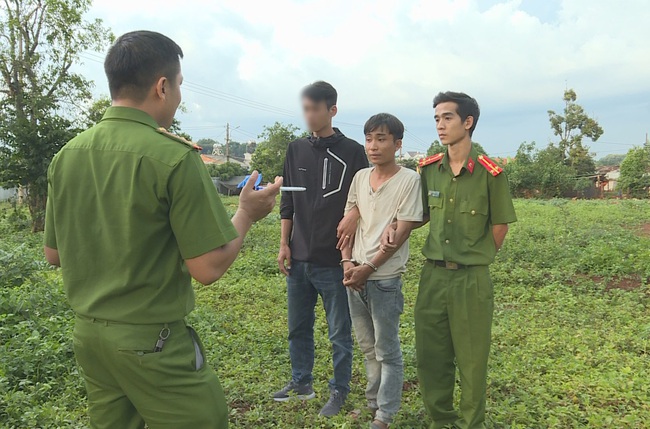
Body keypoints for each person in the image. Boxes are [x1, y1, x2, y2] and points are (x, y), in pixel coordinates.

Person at [44, 31, 282, 429]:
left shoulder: (68, 155)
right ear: (162, 86)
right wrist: (246, 213)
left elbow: (54, 254)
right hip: (151, 343)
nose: (178, 98)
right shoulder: (173, 157)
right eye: (179, 87)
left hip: (90, 338)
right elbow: (207, 268)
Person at [383, 92, 517, 429]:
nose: (440, 125)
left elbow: (499, 226)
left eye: (448, 118)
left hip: (471, 280)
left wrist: (476, 257)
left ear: (468, 122)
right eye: (437, 119)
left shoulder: (491, 173)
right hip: (433, 278)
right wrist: (394, 225)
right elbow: (421, 214)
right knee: (431, 356)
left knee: (472, 361)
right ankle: (440, 420)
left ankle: (471, 424)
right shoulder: (429, 169)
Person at [274, 81, 368, 417]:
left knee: (339, 333)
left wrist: (355, 213)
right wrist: (285, 243)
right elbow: (288, 202)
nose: (310, 115)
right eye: (306, 108)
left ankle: (339, 390)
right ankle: (301, 381)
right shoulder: (295, 149)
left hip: (334, 259)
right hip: (299, 258)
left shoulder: (354, 151)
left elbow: (366, 197)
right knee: (298, 326)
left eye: (316, 108)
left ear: (332, 110)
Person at [340, 113, 423, 429]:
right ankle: (372, 403)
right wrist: (348, 263)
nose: (373, 146)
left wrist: (369, 267)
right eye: (369, 139)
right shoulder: (360, 177)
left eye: (382, 139)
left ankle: (385, 414)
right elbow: (348, 225)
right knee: (367, 348)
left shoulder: (409, 180)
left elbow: (401, 232)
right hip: (354, 276)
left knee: (387, 350)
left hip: (384, 279)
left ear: (398, 144)